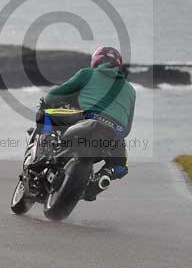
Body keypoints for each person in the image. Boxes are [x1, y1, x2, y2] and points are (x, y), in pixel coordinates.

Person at [43, 46, 136, 200]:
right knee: (120, 165)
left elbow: (53, 96)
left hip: (88, 120)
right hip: (115, 132)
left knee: (47, 112)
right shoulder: (131, 90)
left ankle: (47, 141)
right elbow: (127, 129)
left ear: (96, 61)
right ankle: (103, 177)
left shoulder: (87, 73)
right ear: (118, 64)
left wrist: (50, 100)